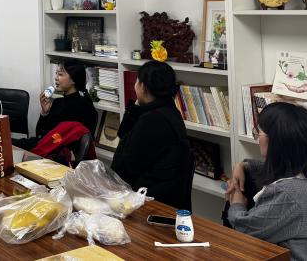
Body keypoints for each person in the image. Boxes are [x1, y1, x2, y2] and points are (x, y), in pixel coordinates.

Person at [225, 102, 307, 260]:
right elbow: (273, 168)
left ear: (275, 140)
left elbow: (244, 227)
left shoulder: (287, 194)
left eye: (258, 132)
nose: (257, 139)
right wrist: (242, 165)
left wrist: (237, 200)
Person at [111, 60, 191, 209]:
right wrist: (137, 105)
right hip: (165, 197)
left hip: (148, 202)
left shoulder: (152, 120)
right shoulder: (168, 110)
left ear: (144, 87)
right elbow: (123, 134)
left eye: (137, 82)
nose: (135, 86)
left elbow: (123, 168)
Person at [14, 61, 98, 152]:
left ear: (74, 79)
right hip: (46, 146)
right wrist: (44, 113)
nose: (56, 78)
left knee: (12, 146)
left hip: (55, 152)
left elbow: (72, 144)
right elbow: (40, 134)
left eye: (60, 74)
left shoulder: (83, 107)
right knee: (12, 144)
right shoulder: (58, 102)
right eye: (56, 73)